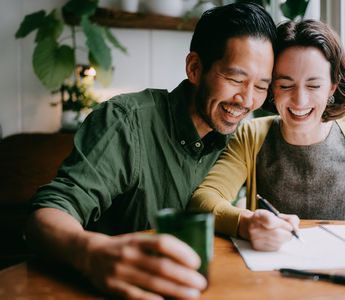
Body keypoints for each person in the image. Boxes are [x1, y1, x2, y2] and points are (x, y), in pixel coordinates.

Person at [25, 3, 277, 299]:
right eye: (235, 79)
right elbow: (46, 214)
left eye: (261, 86)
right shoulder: (125, 121)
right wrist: (91, 253)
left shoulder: (239, 140)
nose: (247, 100)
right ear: (195, 68)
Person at [189, 19, 345, 253]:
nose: (300, 101)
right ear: (272, 88)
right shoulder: (251, 136)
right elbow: (204, 199)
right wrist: (245, 223)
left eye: (313, 86)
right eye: (286, 85)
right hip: (275, 277)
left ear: (332, 86)